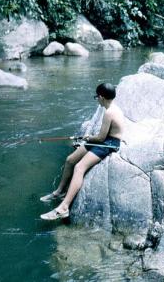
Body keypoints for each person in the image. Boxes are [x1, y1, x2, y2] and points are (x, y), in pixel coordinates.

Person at [40, 83, 124, 220]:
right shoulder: (111, 108)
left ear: (101, 97)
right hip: (104, 140)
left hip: (109, 143)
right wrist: (89, 138)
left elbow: (101, 137)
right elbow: (102, 135)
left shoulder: (109, 113)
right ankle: (59, 192)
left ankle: (63, 208)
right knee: (70, 160)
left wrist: (88, 137)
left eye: (97, 97)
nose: (97, 99)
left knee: (79, 167)